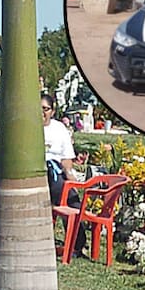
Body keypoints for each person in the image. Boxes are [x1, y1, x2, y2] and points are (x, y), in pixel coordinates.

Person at [43, 93, 87, 255]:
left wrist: (70, 176)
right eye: (39, 109)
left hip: (56, 172)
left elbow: (67, 158)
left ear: (53, 111)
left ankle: (78, 243)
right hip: (39, 171)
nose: (42, 113)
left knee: (72, 199)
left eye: (46, 109)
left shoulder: (59, 129)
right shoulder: (29, 126)